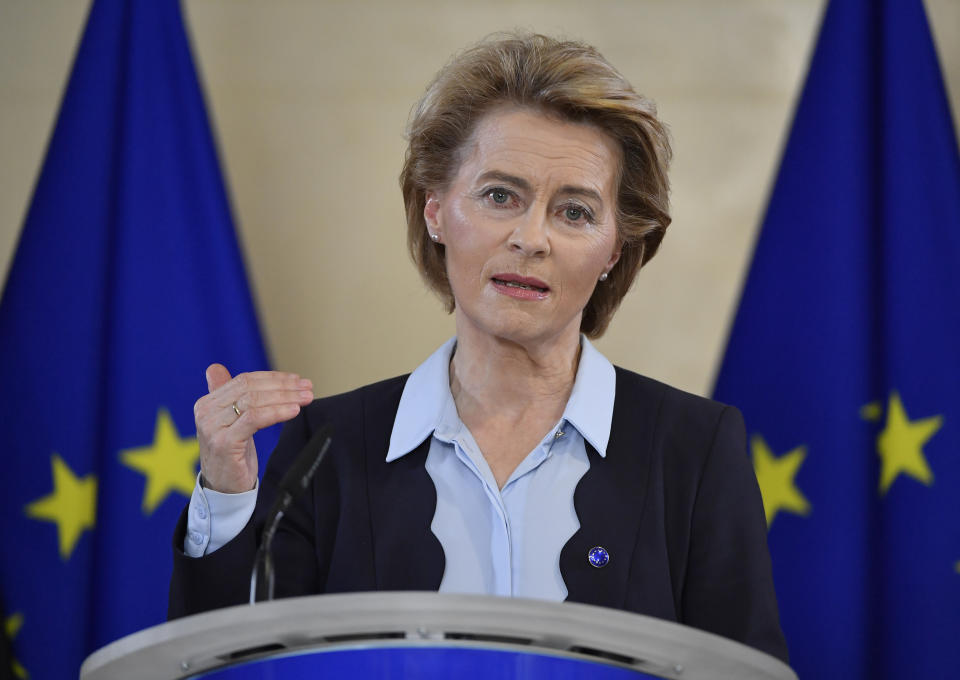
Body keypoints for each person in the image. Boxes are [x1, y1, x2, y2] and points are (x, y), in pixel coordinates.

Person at [169, 32, 788, 663]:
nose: (530, 238)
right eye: (500, 196)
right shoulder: (325, 448)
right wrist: (225, 494)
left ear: (614, 252)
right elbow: (233, 669)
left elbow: (741, 671)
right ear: (436, 209)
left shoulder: (695, 449)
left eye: (574, 212)